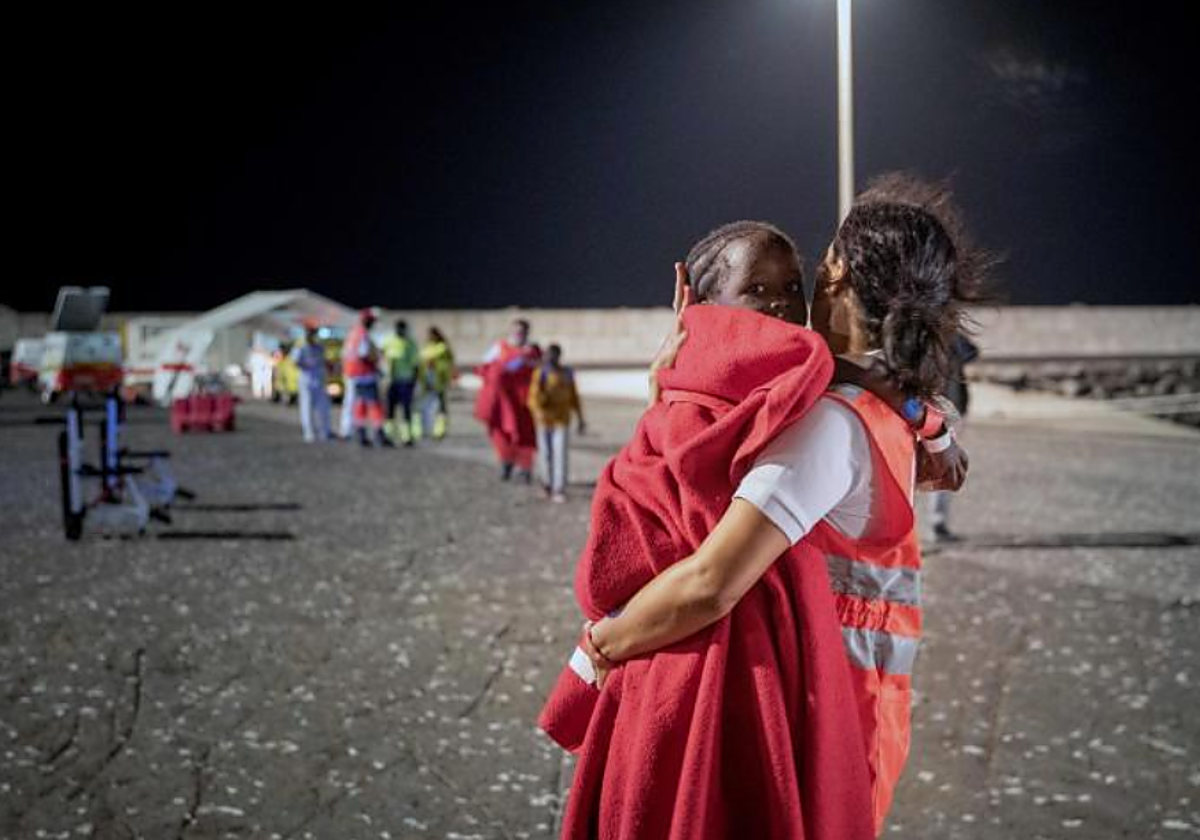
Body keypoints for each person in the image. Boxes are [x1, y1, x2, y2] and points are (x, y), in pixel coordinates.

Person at [542, 177, 985, 839]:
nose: (789, 310)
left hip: (807, 713)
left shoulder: (824, 427)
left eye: (809, 283)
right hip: (859, 705)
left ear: (841, 285)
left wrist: (596, 651)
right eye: (764, 293)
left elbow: (709, 582)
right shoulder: (882, 412)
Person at [920, 332, 979, 543]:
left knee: (943, 468)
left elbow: (973, 352)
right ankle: (933, 524)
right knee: (938, 467)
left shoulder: (949, 339)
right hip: (932, 411)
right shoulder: (923, 338)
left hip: (946, 410)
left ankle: (937, 523)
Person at [474, 318, 541, 481]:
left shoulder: (533, 351)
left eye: (522, 331)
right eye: (516, 330)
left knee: (525, 435)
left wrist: (527, 362)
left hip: (523, 402)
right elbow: (485, 368)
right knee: (502, 435)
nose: (519, 334)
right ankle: (506, 464)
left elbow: (541, 370)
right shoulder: (500, 347)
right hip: (503, 403)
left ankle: (525, 468)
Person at [527, 343, 586, 502]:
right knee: (545, 453)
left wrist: (580, 418)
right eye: (548, 355)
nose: (550, 358)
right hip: (544, 419)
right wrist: (538, 411)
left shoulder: (567, 373)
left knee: (560, 454)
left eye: (554, 355)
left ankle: (558, 488)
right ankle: (546, 484)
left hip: (562, 419)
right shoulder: (541, 373)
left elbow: (574, 396)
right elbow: (533, 397)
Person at [342, 308, 392, 448]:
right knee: (375, 405)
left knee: (360, 405)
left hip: (354, 375)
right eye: (372, 321)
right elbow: (364, 354)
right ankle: (379, 434)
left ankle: (361, 434)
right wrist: (377, 364)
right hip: (365, 375)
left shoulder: (353, 334)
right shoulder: (363, 334)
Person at [291, 322, 332, 442]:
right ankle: (309, 432)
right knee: (307, 406)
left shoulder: (319, 346)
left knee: (323, 406)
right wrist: (307, 365)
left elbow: (324, 360)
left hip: (319, 379)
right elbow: (295, 362)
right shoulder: (301, 346)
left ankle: (325, 431)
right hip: (306, 378)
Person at [382, 319, 420, 447]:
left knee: (406, 409)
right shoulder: (388, 341)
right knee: (390, 409)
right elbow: (382, 357)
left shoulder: (410, 343)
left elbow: (416, 364)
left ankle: (407, 437)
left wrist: (415, 381)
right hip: (391, 380)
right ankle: (388, 435)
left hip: (406, 381)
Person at [416, 326, 455, 441]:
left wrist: (447, 377)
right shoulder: (426, 348)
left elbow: (448, 364)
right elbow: (422, 362)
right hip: (426, 382)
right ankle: (423, 430)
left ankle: (439, 431)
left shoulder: (443, 348)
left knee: (440, 408)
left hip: (439, 382)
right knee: (424, 407)